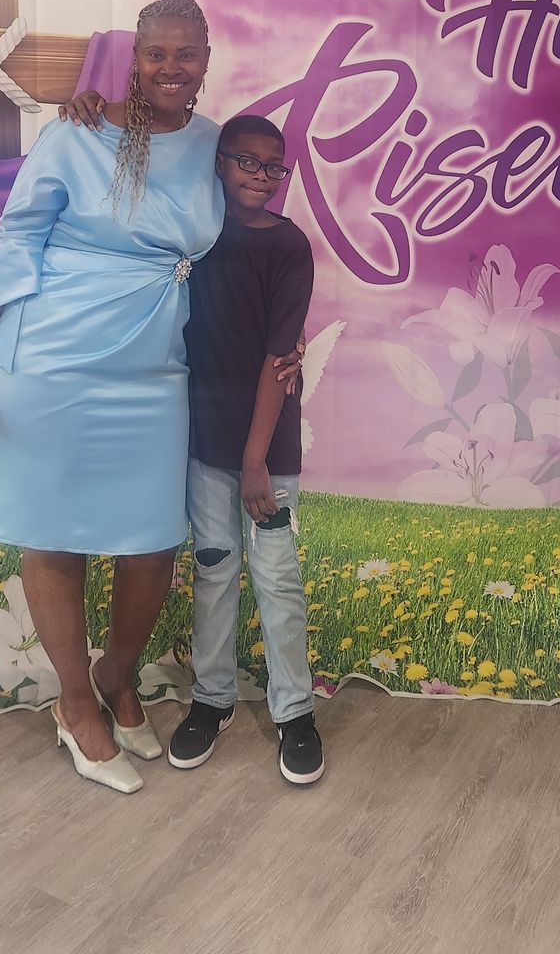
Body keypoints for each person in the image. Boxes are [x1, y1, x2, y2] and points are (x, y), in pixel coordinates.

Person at [0, 0, 224, 796]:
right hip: (52, 360)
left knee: (153, 541)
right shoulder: (77, 132)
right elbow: (16, 241)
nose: (171, 67)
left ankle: (116, 672)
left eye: (186, 54)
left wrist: (282, 338)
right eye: (157, 53)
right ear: (135, 58)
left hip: (154, 368)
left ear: (206, 62)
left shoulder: (216, 145)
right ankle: (75, 704)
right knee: (53, 534)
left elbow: (247, 241)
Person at [174, 115, 323, 785]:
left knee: (277, 576)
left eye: (274, 166)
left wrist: (256, 459)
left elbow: (276, 357)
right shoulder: (195, 236)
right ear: (219, 162)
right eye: (247, 161)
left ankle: (295, 711)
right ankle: (212, 698)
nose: (261, 175)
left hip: (268, 448)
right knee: (213, 568)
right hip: (205, 441)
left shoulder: (288, 247)